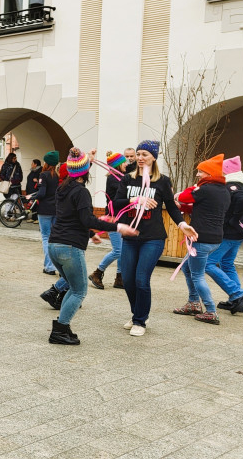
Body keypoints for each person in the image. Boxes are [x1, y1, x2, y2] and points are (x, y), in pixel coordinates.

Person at [47, 148, 139, 345]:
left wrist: (90, 234)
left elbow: (72, 217)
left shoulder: (62, 188)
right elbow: (87, 218)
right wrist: (118, 226)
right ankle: (60, 330)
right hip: (69, 248)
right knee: (79, 291)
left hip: (54, 245)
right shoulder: (81, 192)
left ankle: (63, 327)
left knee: (72, 288)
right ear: (86, 170)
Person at [112, 140, 196, 336]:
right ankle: (138, 314)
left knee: (141, 279)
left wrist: (183, 225)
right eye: (138, 154)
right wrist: (134, 200)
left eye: (144, 155)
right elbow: (116, 204)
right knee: (128, 280)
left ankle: (140, 321)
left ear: (153, 157)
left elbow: (172, 207)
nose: (140, 158)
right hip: (130, 237)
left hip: (153, 238)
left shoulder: (163, 181)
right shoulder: (128, 179)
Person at [173, 155, 231, 325]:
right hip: (215, 239)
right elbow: (204, 208)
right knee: (187, 269)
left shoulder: (205, 189)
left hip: (201, 239)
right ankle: (193, 303)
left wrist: (194, 187)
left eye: (200, 172)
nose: (197, 175)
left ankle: (210, 311)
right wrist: (183, 208)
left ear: (210, 174)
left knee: (197, 275)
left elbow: (183, 197)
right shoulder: (224, 191)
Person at [208, 156, 243, 315]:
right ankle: (236, 302)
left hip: (230, 233)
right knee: (227, 263)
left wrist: (233, 219)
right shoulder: (241, 186)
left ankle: (237, 293)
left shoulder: (231, 187)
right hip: (239, 233)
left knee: (208, 263)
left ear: (226, 171)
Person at [89, 150, 127, 290]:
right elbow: (123, 193)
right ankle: (97, 273)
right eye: (124, 162)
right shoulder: (113, 179)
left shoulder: (120, 177)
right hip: (112, 218)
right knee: (118, 250)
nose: (126, 164)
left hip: (121, 218)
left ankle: (119, 278)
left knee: (122, 250)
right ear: (118, 165)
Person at [33, 151, 60, 275]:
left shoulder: (43, 175)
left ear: (47, 162)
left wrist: (32, 197)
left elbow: (42, 193)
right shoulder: (58, 175)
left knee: (45, 237)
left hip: (44, 209)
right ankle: (56, 266)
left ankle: (49, 267)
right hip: (56, 209)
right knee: (55, 238)